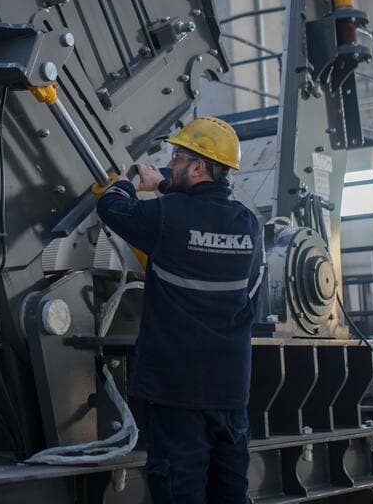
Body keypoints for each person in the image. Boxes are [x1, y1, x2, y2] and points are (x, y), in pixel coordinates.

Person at [96, 115, 263, 504]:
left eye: (177, 158)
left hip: (178, 388)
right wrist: (168, 186)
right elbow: (198, 222)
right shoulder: (248, 225)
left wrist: (128, 180)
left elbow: (112, 208)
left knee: (179, 491)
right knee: (230, 493)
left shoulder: (167, 216)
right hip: (230, 390)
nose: (170, 164)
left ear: (199, 166)